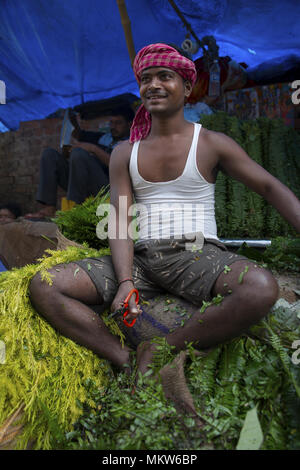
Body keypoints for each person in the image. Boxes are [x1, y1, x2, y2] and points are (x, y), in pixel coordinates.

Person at [29, 43, 300, 378]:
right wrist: (126, 281)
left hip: (196, 254)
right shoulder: (124, 152)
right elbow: (120, 217)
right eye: (145, 78)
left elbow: (270, 187)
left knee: (260, 287)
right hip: (141, 260)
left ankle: (166, 345)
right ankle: (124, 357)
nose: (153, 84)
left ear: (187, 88)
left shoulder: (210, 143)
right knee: (44, 284)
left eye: (164, 76)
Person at [25, 106, 135, 219]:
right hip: (83, 184)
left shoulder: (132, 143)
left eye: (118, 123)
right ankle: (48, 209)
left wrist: (93, 149)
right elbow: (78, 134)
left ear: (130, 124)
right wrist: (72, 117)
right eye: (111, 123)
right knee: (49, 154)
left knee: (79, 153)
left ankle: (74, 208)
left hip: (108, 189)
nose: (113, 127)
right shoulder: (103, 137)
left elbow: (120, 166)